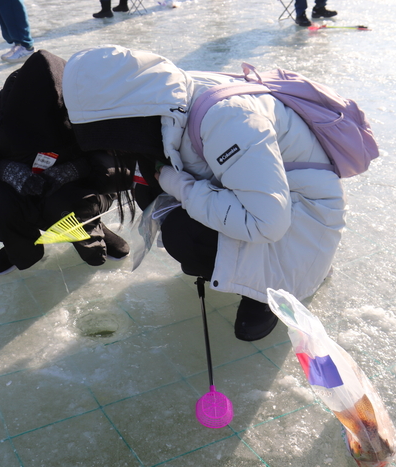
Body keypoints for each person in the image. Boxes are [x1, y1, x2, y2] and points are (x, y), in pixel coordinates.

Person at [61, 46, 347, 342]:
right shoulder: (164, 102)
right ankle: (236, 265)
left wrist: (177, 184)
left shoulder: (225, 119)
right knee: (148, 191)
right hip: (264, 198)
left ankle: (269, 290)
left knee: (185, 235)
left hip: (301, 221)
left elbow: (267, 223)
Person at [0, 50, 130, 275]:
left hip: (73, 191)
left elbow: (127, 167)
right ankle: (22, 247)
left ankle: (91, 226)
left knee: (69, 206)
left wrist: (78, 169)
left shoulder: (91, 105)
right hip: (15, 191)